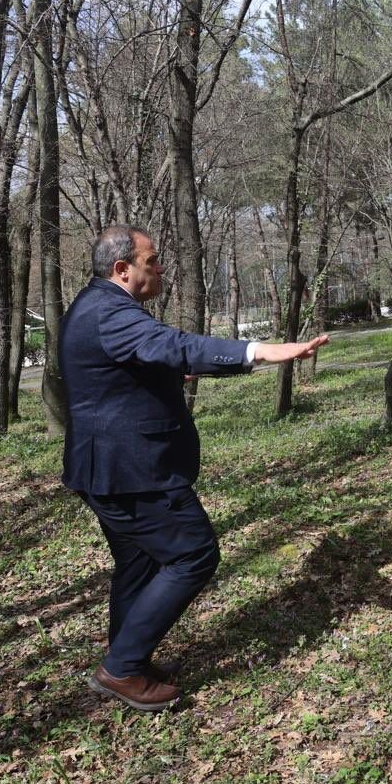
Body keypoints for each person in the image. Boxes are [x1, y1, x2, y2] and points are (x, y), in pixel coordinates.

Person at [61, 225, 329, 710]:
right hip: (132, 472)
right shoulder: (109, 312)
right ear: (123, 269)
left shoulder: (96, 304)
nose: (160, 268)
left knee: (139, 563)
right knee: (194, 553)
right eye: (152, 260)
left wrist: (177, 372)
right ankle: (121, 669)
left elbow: (134, 366)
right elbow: (176, 344)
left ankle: (128, 657)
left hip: (107, 468)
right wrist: (261, 351)